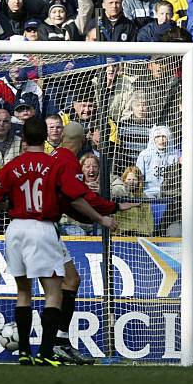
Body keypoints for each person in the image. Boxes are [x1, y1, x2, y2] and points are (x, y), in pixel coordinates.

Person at [0, 118, 117, 366]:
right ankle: (46, 352)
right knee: (54, 292)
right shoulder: (54, 164)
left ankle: (24, 351)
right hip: (43, 227)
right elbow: (76, 197)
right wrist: (101, 217)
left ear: (23, 138)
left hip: (15, 229)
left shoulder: (12, 166)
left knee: (23, 291)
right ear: (45, 136)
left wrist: (10, 204)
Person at [50, 122, 138, 363]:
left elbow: (70, 202)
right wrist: (112, 208)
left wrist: (91, 216)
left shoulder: (54, 156)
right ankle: (53, 344)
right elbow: (81, 197)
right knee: (63, 283)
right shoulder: (68, 162)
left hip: (44, 227)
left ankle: (57, 342)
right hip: (44, 228)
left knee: (62, 282)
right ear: (80, 141)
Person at [136, 125, 180, 198]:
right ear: (153, 139)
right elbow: (139, 176)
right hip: (148, 192)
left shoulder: (175, 155)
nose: (161, 140)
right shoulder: (145, 154)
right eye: (157, 137)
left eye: (164, 136)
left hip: (170, 193)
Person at [113, 165, 154, 237]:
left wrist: (150, 232)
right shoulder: (119, 193)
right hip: (123, 231)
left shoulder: (143, 196)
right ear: (124, 180)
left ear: (139, 181)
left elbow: (148, 216)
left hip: (141, 232)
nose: (131, 182)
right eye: (129, 179)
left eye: (134, 180)